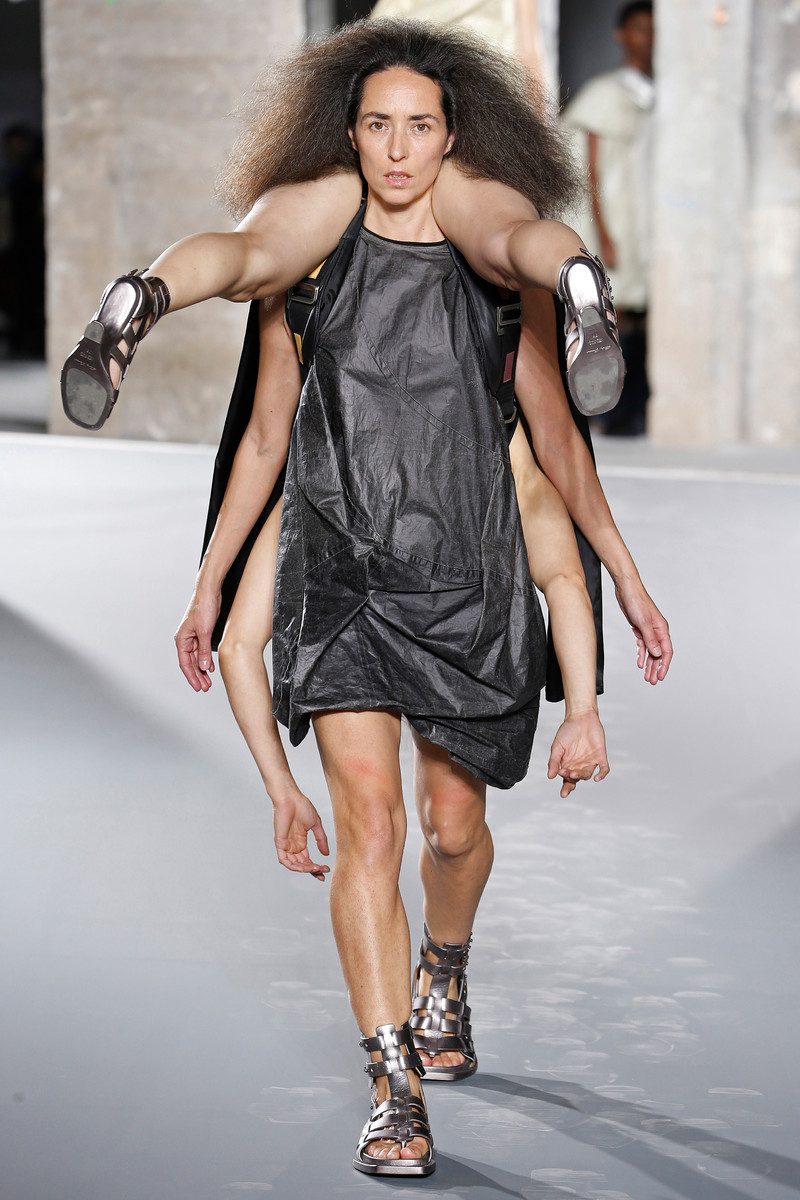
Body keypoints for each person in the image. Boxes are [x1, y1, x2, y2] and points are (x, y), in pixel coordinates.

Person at [61, 19, 673, 1175]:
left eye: (419, 127)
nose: (397, 149)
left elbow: (558, 451)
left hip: (467, 583)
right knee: (373, 829)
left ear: (452, 136)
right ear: (347, 132)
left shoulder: (493, 274)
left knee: (450, 829)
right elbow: (264, 441)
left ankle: (445, 965)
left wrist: (626, 582)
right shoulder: (310, 267)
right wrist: (209, 581)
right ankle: (393, 1082)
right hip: (341, 581)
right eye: (378, 126)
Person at [562, 0, 654, 435]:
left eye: (653, 30)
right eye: (639, 29)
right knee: (611, 313)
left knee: (640, 311)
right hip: (612, 218)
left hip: (641, 216)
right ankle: (609, 411)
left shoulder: (653, 93)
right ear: (621, 34)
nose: (647, 39)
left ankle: (630, 410)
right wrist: (603, 233)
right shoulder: (603, 94)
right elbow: (591, 169)